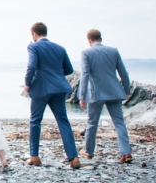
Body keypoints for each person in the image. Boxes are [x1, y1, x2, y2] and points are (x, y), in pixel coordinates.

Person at [24, 22, 80, 169]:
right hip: (59, 87)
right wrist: (56, 74)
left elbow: (32, 66)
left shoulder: (33, 46)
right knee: (63, 121)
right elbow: (69, 69)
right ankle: (73, 158)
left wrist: (27, 83)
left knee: (35, 120)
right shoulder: (60, 48)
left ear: (34, 34)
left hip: (41, 88)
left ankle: (34, 156)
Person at [78, 29, 133, 164]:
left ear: (89, 40)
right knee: (119, 122)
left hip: (96, 93)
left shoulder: (86, 53)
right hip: (114, 91)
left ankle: (89, 151)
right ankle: (126, 152)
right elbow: (123, 73)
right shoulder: (113, 51)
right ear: (101, 39)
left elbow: (84, 74)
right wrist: (127, 90)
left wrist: (82, 95)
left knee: (92, 122)